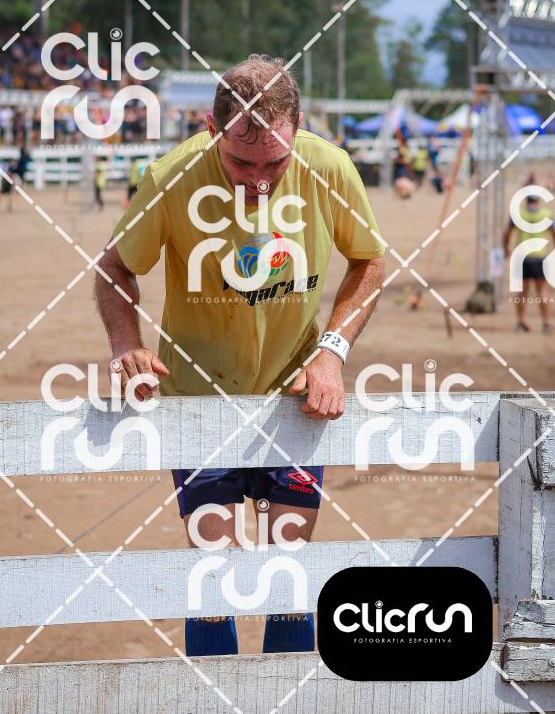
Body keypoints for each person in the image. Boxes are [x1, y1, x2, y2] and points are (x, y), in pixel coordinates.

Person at [94, 54, 386, 657]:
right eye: (241, 162)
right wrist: (126, 344)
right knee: (214, 573)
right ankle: (214, 697)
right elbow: (114, 267)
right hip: (199, 400)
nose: (258, 181)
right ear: (211, 129)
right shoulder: (172, 177)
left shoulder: (329, 167)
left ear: (298, 128)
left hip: (294, 401)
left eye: (275, 163)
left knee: (287, 572)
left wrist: (331, 352)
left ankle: (285, 696)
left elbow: (370, 261)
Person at [503, 193, 555, 334]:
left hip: (521, 257)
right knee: (542, 291)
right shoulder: (546, 213)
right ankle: (546, 323)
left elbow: (507, 232)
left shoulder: (519, 214)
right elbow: (554, 233)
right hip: (540, 257)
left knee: (522, 292)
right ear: (537, 201)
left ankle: (520, 322)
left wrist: (506, 248)